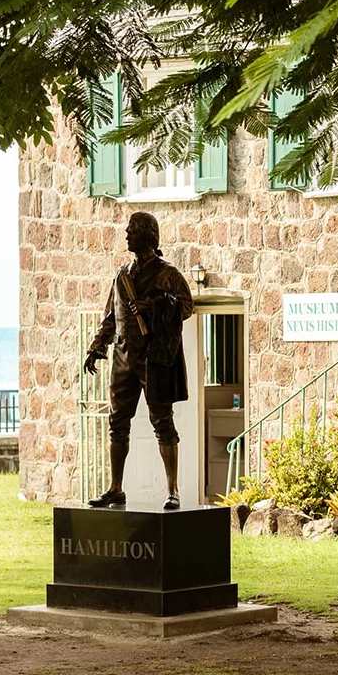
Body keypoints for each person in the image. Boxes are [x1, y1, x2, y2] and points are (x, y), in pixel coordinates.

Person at [83, 212, 194, 510]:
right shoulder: (122, 274)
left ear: (148, 235)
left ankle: (173, 490)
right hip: (123, 358)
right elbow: (110, 316)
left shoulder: (167, 274)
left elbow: (186, 307)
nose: (126, 234)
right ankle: (115, 488)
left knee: (163, 422)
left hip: (154, 358)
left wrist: (157, 304)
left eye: (132, 230)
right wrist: (97, 346)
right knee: (117, 423)